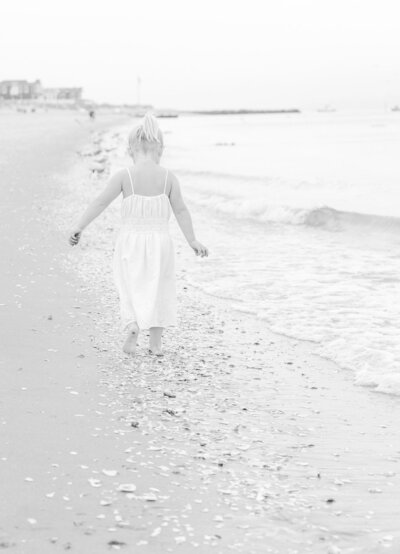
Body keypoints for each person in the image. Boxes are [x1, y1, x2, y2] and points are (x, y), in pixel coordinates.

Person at [69, 112, 208, 356]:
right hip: (161, 242)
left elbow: (100, 202)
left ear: (131, 149)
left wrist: (79, 226)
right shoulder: (168, 177)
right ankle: (155, 345)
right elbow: (181, 211)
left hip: (130, 241)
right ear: (160, 148)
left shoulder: (124, 176)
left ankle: (132, 324)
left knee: (129, 285)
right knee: (159, 288)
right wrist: (192, 240)